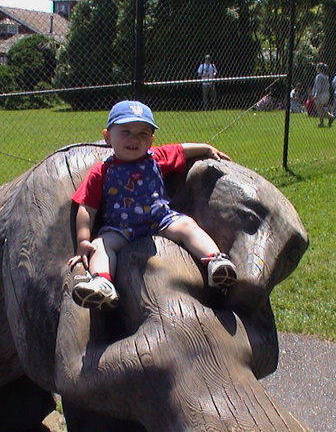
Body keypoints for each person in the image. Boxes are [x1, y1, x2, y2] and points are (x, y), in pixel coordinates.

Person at [67, 100, 237, 309]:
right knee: (101, 245)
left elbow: (181, 150)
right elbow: (87, 207)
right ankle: (102, 282)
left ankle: (215, 261)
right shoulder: (100, 171)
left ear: (151, 140)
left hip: (160, 220)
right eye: (126, 131)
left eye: (142, 134)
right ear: (107, 136)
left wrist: (206, 148)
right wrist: (83, 240)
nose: (134, 139)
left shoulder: (156, 157)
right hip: (120, 228)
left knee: (187, 225)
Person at [311, 62, 335, 127]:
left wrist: (315, 95)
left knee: (319, 109)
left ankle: (324, 120)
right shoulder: (326, 77)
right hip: (326, 94)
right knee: (321, 108)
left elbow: (318, 87)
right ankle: (328, 118)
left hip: (321, 94)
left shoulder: (318, 76)